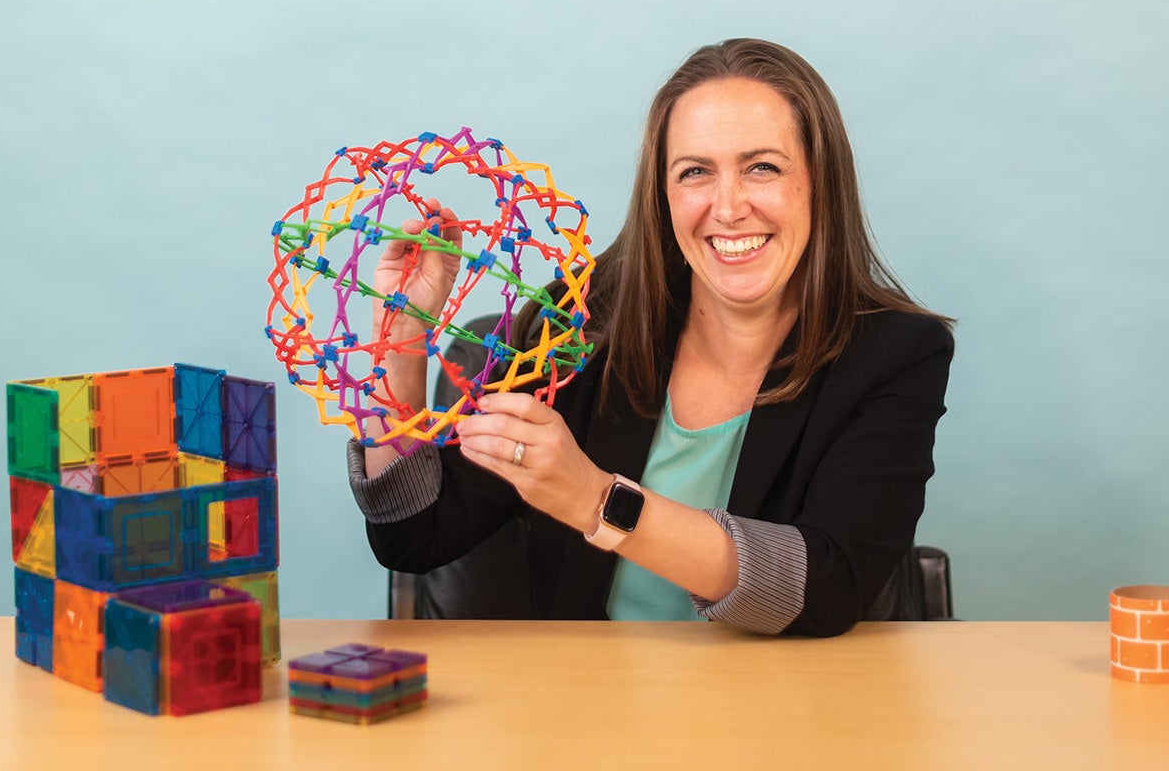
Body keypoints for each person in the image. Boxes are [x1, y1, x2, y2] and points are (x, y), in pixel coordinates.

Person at [347, 38, 953, 636]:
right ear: (663, 196)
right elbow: (414, 535)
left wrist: (595, 499)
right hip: (594, 706)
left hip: (786, 711)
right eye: (695, 173)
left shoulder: (897, 354)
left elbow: (827, 586)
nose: (729, 206)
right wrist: (397, 341)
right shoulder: (582, 324)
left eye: (761, 167)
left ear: (819, 182)